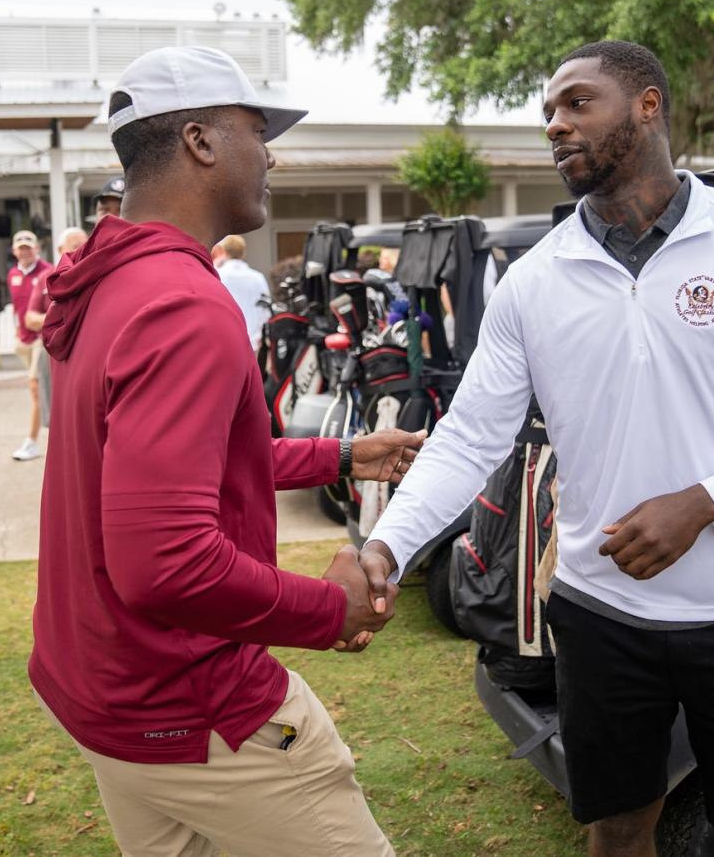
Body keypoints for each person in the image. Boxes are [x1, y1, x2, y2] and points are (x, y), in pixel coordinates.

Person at [364, 40, 714, 857]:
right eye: (547, 115)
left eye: (576, 103)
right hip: (601, 613)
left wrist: (705, 504)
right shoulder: (533, 279)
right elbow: (470, 436)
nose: (556, 127)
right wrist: (388, 542)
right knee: (618, 827)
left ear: (647, 105)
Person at [29, 45, 424, 857]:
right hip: (196, 705)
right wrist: (331, 608)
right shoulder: (180, 303)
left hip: (105, 698)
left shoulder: (107, 281)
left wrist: (339, 457)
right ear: (201, 142)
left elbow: (179, 466)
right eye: (257, 129)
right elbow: (167, 561)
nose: (271, 153)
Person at [25, 227, 88, 429]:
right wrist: (59, 319)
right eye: (76, 247)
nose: (83, 251)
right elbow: (30, 318)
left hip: (87, 347)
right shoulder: (48, 277)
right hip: (52, 347)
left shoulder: (94, 275)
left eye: (86, 246)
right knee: (50, 405)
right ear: (60, 249)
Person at [7, 229, 52, 461]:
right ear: (15, 250)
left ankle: (32, 441)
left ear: (36, 248)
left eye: (29, 247)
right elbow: (17, 307)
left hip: (40, 339)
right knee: (36, 390)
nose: (25, 252)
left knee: (36, 389)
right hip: (23, 338)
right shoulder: (13, 274)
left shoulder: (47, 272)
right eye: (21, 248)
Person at [216, 233, 272, 352]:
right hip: (254, 341)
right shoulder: (257, 277)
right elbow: (266, 310)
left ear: (224, 251)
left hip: (226, 339)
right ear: (243, 253)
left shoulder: (218, 275)